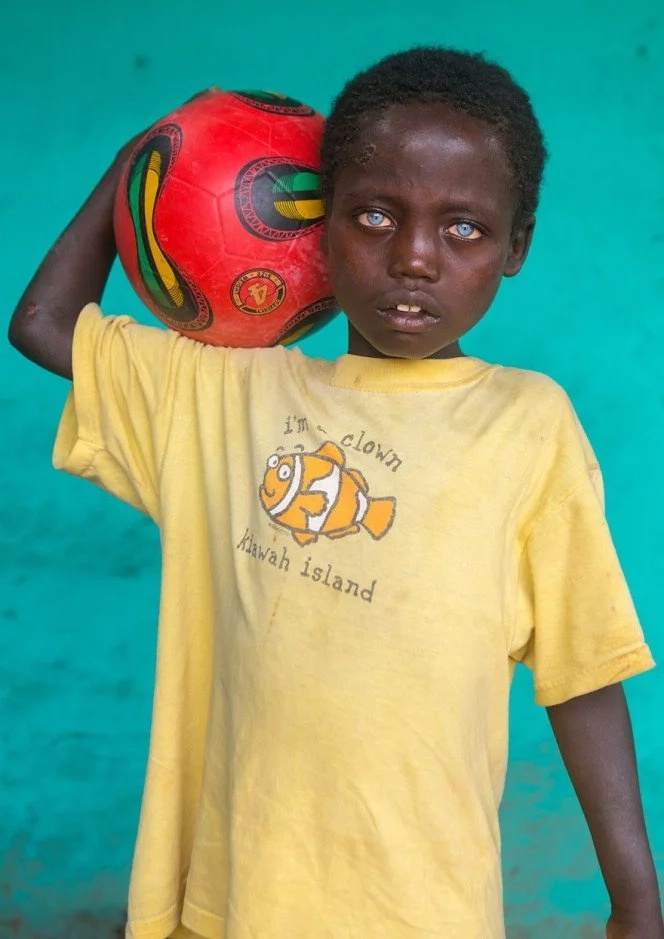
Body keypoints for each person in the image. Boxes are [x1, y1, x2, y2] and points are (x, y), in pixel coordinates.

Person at [8, 46, 663, 939]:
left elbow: (582, 672)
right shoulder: (230, 394)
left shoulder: (528, 426)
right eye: (374, 214)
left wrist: (636, 897)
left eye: (463, 227)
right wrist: (147, 161)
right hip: (222, 905)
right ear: (318, 226)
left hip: (421, 910)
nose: (414, 259)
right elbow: (44, 322)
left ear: (517, 245)